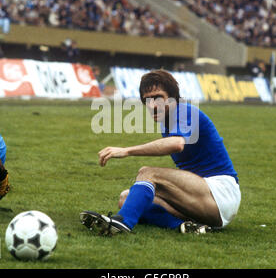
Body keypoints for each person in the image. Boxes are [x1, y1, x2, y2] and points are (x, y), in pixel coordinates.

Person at [80, 70, 241, 235]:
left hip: (220, 194)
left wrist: (127, 151)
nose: (153, 105)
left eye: (158, 98)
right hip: (201, 200)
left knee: (148, 173)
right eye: (147, 100)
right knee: (126, 198)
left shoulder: (185, 111)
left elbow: (177, 144)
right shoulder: (167, 122)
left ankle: (122, 223)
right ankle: (184, 226)